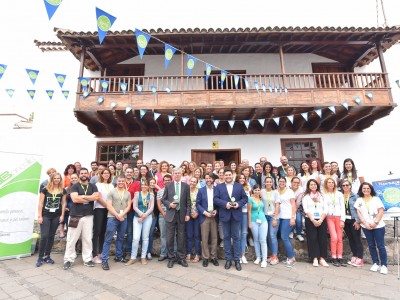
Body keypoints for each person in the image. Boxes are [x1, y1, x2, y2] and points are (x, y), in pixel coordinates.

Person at [63, 168, 99, 270]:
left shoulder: (93, 186)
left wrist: (82, 196)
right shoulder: (75, 186)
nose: (83, 175)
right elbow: (75, 199)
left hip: (88, 216)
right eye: (81, 173)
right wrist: (88, 197)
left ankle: (87, 259)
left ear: (88, 174)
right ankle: (68, 259)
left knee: (87, 238)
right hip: (75, 216)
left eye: (85, 173)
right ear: (79, 175)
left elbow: (96, 197)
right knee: (72, 238)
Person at [214, 168, 248, 271]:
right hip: (225, 215)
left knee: (236, 238)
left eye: (229, 175)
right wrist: (225, 204)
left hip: (236, 215)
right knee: (226, 238)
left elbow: (245, 199)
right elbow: (215, 199)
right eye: (226, 175)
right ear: (223, 176)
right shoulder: (219, 187)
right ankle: (228, 259)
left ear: (232, 176)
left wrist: (238, 204)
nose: (228, 176)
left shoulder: (239, 186)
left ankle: (237, 260)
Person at [355, 182, 388, 275]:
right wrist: (365, 223)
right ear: (361, 190)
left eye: (368, 188)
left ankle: (384, 265)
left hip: (378, 226)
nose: (366, 190)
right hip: (366, 226)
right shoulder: (359, 200)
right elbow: (359, 213)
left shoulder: (376, 199)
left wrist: (375, 222)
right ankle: (375, 263)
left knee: (380, 246)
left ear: (371, 189)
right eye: (364, 188)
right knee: (371, 245)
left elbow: (381, 211)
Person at [161, 168, 191, 268]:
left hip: (182, 215)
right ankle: (171, 258)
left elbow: (188, 202)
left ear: (181, 174)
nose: (177, 175)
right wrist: (169, 204)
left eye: (179, 173)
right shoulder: (168, 185)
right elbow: (163, 199)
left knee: (181, 237)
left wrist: (187, 214)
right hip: (171, 215)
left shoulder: (186, 186)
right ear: (173, 175)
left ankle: (181, 258)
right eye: (175, 173)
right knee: (170, 237)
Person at [101, 175, 132, 270]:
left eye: (123, 181)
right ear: (116, 182)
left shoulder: (128, 193)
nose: (121, 182)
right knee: (108, 239)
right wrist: (117, 215)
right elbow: (109, 205)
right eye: (119, 181)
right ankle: (104, 260)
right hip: (112, 217)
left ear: (125, 182)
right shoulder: (111, 192)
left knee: (121, 238)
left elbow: (128, 206)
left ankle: (119, 256)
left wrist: (122, 215)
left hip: (123, 218)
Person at [36, 173, 66, 267]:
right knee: (44, 236)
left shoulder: (62, 190)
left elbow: (64, 203)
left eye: (58, 178)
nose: (57, 180)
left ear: (60, 179)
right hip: (46, 215)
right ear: (52, 179)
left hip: (56, 216)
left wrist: (62, 215)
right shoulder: (45, 189)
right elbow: (40, 203)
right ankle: (40, 257)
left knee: (51, 236)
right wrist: (40, 216)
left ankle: (47, 256)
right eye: (55, 178)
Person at [126, 179, 155, 265]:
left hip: (148, 218)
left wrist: (144, 215)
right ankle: (133, 257)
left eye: (145, 185)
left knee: (145, 238)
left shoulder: (151, 195)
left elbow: (151, 208)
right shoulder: (137, 194)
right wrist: (141, 214)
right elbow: (134, 206)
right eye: (142, 185)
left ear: (148, 186)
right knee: (135, 238)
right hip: (137, 217)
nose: (144, 186)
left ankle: (143, 257)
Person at [302, 179, 329, 267]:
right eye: (311, 185)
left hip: (321, 218)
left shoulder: (322, 196)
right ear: (308, 186)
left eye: (314, 184)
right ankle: (314, 258)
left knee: (322, 238)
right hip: (310, 219)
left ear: (317, 185)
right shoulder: (306, 197)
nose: (313, 186)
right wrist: (313, 220)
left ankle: (322, 258)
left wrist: (321, 220)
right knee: (312, 238)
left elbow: (326, 209)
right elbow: (306, 209)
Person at [196, 172, 219, 267]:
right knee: (204, 238)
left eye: (210, 178)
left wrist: (216, 210)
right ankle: (205, 257)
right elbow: (198, 204)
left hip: (214, 216)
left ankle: (213, 257)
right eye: (206, 178)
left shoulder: (217, 190)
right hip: (204, 216)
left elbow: (219, 202)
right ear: (205, 180)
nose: (208, 180)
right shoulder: (201, 190)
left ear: (213, 179)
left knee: (214, 238)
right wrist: (204, 212)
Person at [323, 177, 346, 266]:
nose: (331, 184)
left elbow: (342, 207)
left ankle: (339, 256)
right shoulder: (324, 194)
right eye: (329, 182)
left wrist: (342, 220)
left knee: (340, 238)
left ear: (335, 184)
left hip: (338, 217)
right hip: (329, 217)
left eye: (332, 182)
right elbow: (324, 207)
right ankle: (333, 256)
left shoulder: (339, 194)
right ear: (326, 184)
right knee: (334, 237)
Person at [92, 168, 113, 264]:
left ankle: (101, 252)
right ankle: (94, 254)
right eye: (104, 173)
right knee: (97, 231)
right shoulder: (98, 185)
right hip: (99, 209)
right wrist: (108, 206)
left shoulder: (112, 185)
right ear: (101, 174)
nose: (106, 174)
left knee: (103, 231)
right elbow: (98, 198)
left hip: (108, 211)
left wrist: (110, 208)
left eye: (108, 173)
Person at [341, 179, 364, 267]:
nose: (345, 187)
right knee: (350, 239)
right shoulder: (341, 196)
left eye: (347, 185)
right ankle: (354, 256)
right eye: (343, 185)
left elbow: (360, 210)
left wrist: (358, 221)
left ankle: (360, 258)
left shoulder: (356, 196)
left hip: (354, 220)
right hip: (345, 220)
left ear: (350, 186)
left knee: (356, 239)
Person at [276, 176, 296, 267]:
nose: (281, 183)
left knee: (284, 237)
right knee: (283, 236)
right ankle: (291, 256)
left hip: (288, 217)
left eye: (283, 181)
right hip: (280, 217)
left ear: (285, 182)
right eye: (280, 181)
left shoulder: (290, 191)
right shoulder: (277, 191)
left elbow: (293, 205)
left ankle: (291, 257)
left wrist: (293, 217)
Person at [248, 184, 268, 268]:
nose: (257, 191)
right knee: (256, 240)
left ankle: (264, 259)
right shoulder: (250, 199)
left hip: (263, 220)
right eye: (255, 190)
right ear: (253, 191)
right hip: (254, 221)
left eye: (258, 190)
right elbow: (249, 211)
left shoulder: (261, 199)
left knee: (263, 240)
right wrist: (249, 222)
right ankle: (258, 257)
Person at [261, 176, 280, 265]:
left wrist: (275, 218)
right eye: (267, 182)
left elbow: (277, 206)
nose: (268, 183)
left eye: (270, 182)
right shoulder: (262, 191)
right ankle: (272, 255)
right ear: (264, 183)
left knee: (272, 235)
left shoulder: (276, 192)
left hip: (273, 216)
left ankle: (275, 256)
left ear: (272, 183)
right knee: (267, 236)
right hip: (264, 216)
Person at [123, 168, 140, 259]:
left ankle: (128, 252)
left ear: (133, 173)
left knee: (130, 232)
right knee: (121, 232)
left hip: (131, 211)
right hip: (120, 211)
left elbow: (137, 196)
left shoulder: (136, 183)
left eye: (130, 172)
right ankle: (120, 252)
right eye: (127, 172)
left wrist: (128, 204)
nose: (129, 173)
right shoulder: (121, 182)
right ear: (124, 173)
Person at [156, 174, 173, 261]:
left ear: (171, 180)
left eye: (168, 180)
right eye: (165, 180)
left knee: (173, 235)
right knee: (163, 235)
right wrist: (163, 212)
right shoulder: (160, 192)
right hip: (162, 215)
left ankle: (173, 253)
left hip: (173, 215)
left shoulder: (175, 191)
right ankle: (163, 253)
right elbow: (159, 204)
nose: (167, 181)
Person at [186, 177, 201, 263]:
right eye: (191, 181)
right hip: (188, 216)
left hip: (197, 215)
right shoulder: (186, 190)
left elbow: (202, 203)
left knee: (197, 235)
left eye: (194, 182)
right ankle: (188, 253)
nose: (192, 183)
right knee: (189, 235)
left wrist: (198, 213)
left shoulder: (199, 191)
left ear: (197, 183)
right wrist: (188, 214)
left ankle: (197, 254)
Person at [236, 174, 251, 264]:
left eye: (243, 178)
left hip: (245, 213)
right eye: (240, 178)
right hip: (237, 213)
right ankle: (237, 255)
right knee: (237, 234)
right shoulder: (234, 188)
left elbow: (249, 202)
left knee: (244, 234)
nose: (242, 179)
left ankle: (243, 255)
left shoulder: (248, 188)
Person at [62, 173, 79, 238]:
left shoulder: (82, 187)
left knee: (78, 229)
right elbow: (64, 200)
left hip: (79, 211)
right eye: (72, 178)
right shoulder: (67, 189)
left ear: (78, 178)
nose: (74, 179)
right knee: (70, 228)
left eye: (75, 178)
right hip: (70, 211)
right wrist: (65, 207)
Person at [291, 176, 304, 241]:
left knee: (298, 220)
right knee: (290, 219)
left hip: (298, 208)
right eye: (294, 182)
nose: (296, 184)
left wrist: (294, 211)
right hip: (289, 208)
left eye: (298, 182)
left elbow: (298, 202)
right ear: (291, 182)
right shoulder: (288, 189)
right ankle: (291, 231)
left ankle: (298, 234)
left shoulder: (301, 190)